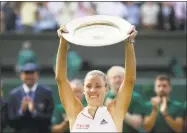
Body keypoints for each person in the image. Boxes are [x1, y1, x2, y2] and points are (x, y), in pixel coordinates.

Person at [55, 25, 137, 132]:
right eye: (89, 86)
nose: (93, 90)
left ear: (106, 89)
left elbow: (129, 80)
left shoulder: (114, 112)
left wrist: (129, 42)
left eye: (98, 86)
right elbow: (60, 79)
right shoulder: (76, 112)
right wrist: (63, 41)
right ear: (84, 90)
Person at [8, 63, 54, 133]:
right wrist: (21, 111)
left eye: (32, 73)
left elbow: (49, 119)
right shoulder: (14, 94)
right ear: (21, 75)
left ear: (37, 75)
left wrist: (34, 111)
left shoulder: (47, 93)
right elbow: (11, 121)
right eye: (26, 73)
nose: (29, 76)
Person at [105, 66, 147, 133]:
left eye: (120, 77)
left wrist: (117, 108)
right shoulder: (102, 98)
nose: (117, 80)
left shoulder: (135, 97)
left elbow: (137, 124)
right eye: (114, 77)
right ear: (108, 80)